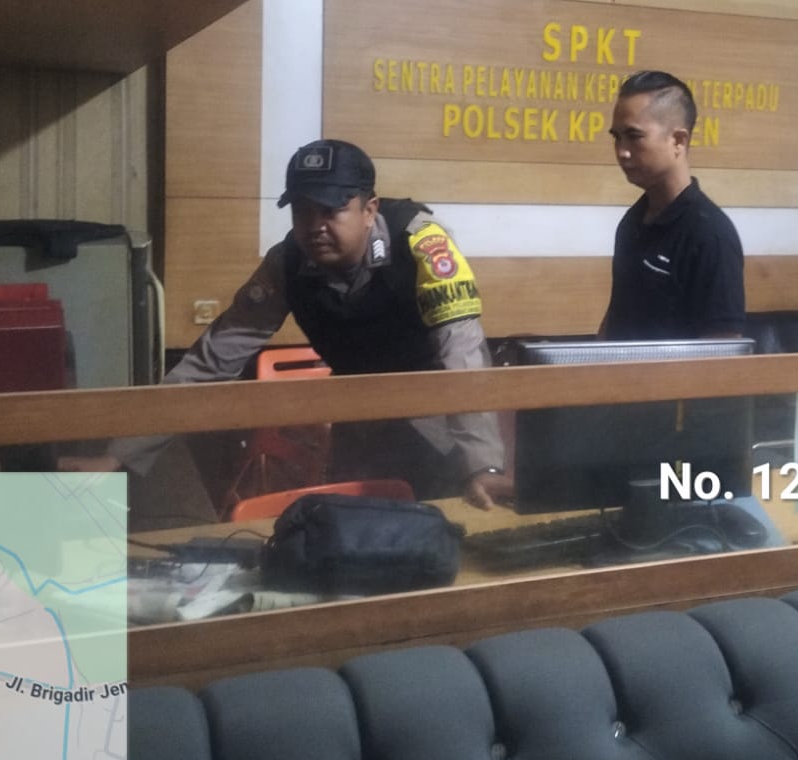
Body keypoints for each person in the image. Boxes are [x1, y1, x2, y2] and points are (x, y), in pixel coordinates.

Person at [67, 140, 507, 509]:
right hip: (357, 414)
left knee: (443, 537)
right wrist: (118, 457)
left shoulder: (423, 244)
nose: (314, 227)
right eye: (302, 211)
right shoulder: (286, 263)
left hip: (439, 421)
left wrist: (483, 464)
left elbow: (463, 356)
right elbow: (210, 362)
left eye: (330, 210)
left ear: (369, 209)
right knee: (355, 538)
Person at [601, 70, 746, 340]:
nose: (622, 151)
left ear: (678, 141)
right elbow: (618, 316)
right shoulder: (632, 221)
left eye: (634, 136)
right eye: (617, 137)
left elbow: (722, 345)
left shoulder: (710, 234)